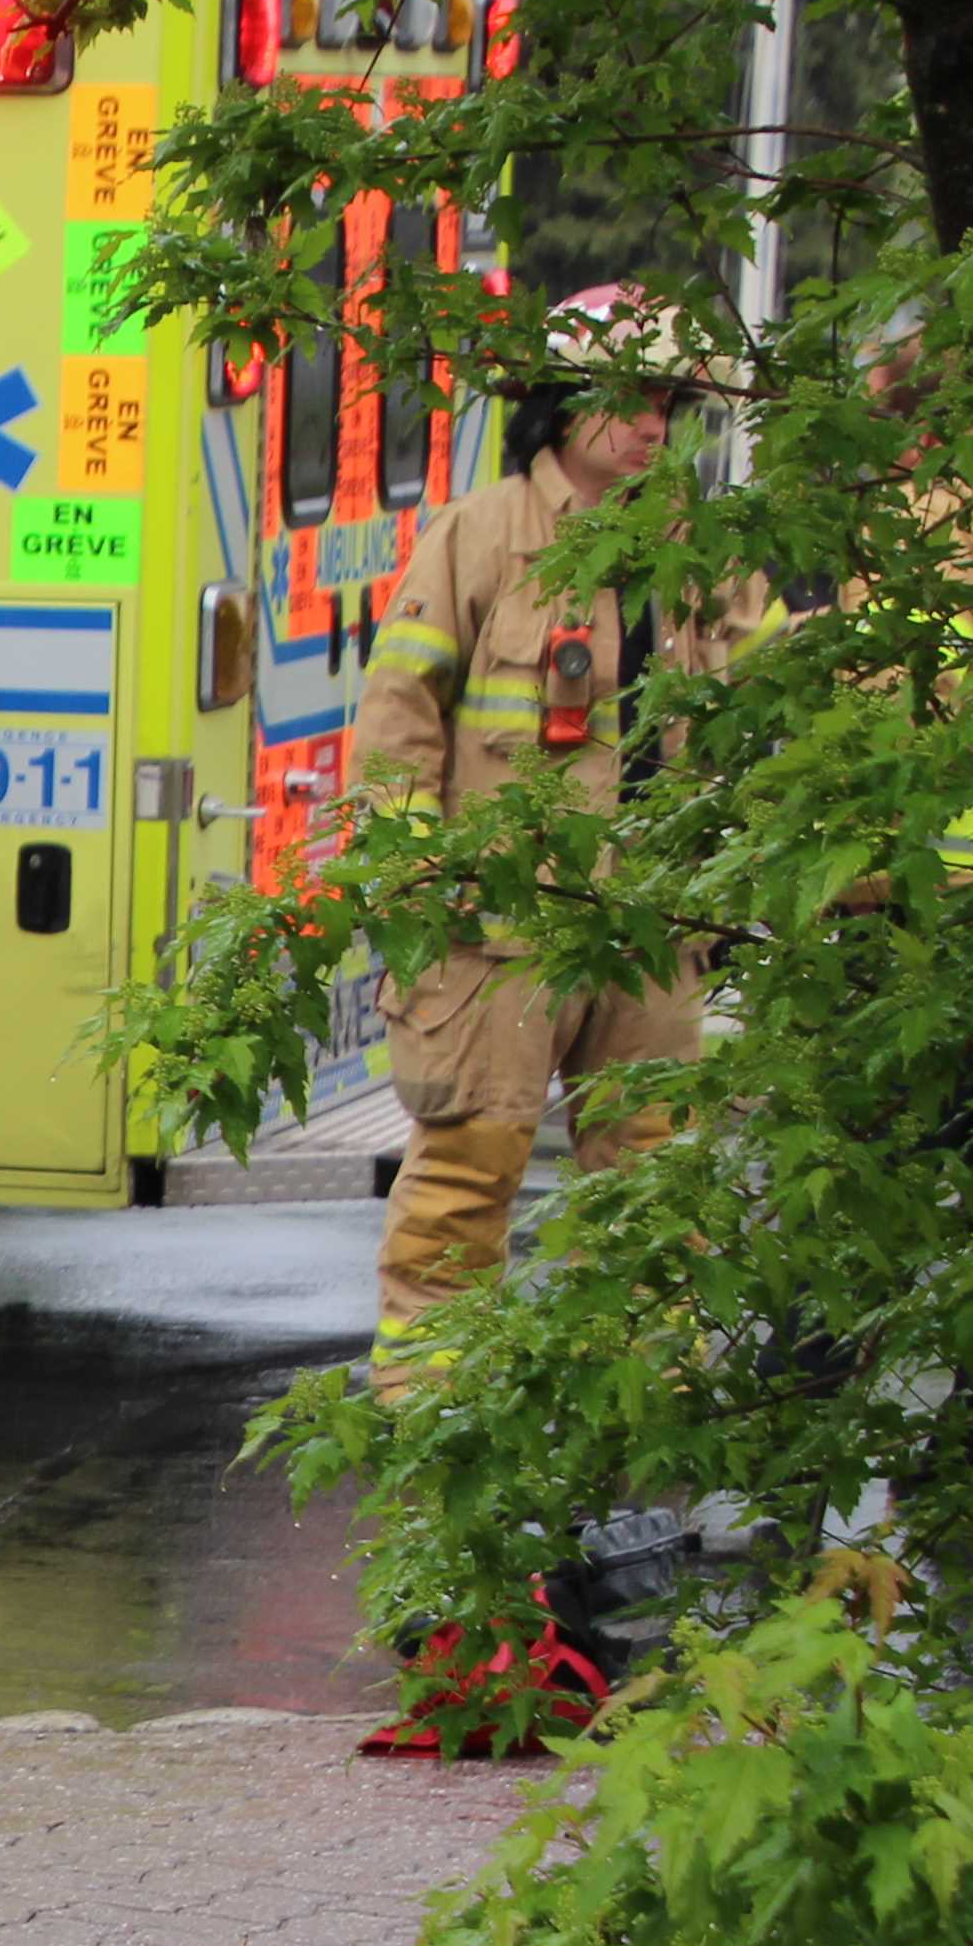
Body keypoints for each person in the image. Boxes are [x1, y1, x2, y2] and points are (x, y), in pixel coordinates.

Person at [350, 280, 770, 1373]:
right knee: (461, 1191)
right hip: (494, 935)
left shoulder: (703, 555)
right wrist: (413, 892)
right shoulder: (480, 539)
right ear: (559, 404)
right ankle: (433, 1438)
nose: (651, 428)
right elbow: (397, 722)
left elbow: (753, 720)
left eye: (671, 407)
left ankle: (638, 1438)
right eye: (631, 400)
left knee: (656, 1201)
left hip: (648, 934)